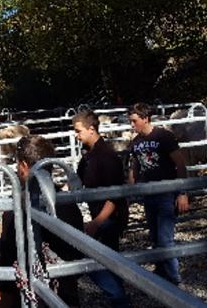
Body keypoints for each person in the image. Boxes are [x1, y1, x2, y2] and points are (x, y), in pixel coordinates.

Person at [0, 136, 84, 308]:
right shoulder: (67, 204)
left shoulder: (14, 211)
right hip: (66, 296)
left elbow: (9, 262)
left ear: (24, 166)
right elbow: (78, 253)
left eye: (17, 164)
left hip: (28, 299)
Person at [72, 111, 130, 307]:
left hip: (110, 217)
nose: (76, 135)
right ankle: (119, 299)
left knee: (86, 256)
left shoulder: (107, 156)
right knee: (110, 260)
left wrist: (96, 223)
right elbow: (76, 181)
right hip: (102, 216)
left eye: (78, 131)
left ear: (91, 129)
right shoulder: (89, 156)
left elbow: (115, 195)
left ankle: (119, 299)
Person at [128, 102, 189, 285]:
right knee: (155, 238)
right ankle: (161, 274)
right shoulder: (135, 142)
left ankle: (174, 280)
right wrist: (132, 185)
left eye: (134, 121)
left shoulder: (164, 136)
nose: (132, 125)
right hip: (148, 193)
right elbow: (135, 165)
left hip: (167, 193)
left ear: (145, 118)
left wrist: (182, 192)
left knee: (165, 239)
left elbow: (180, 164)